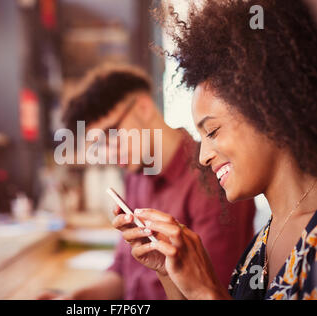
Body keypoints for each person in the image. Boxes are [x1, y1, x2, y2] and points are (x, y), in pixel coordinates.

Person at [113, 0, 317, 299]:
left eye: (213, 131)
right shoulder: (264, 241)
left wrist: (206, 292)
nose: (203, 156)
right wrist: (170, 273)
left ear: (269, 109)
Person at [38, 64, 256, 300]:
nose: (109, 153)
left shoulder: (213, 177)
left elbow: (215, 290)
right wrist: (75, 299)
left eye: (111, 133)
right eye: (100, 145)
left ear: (142, 107)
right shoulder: (135, 175)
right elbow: (122, 272)